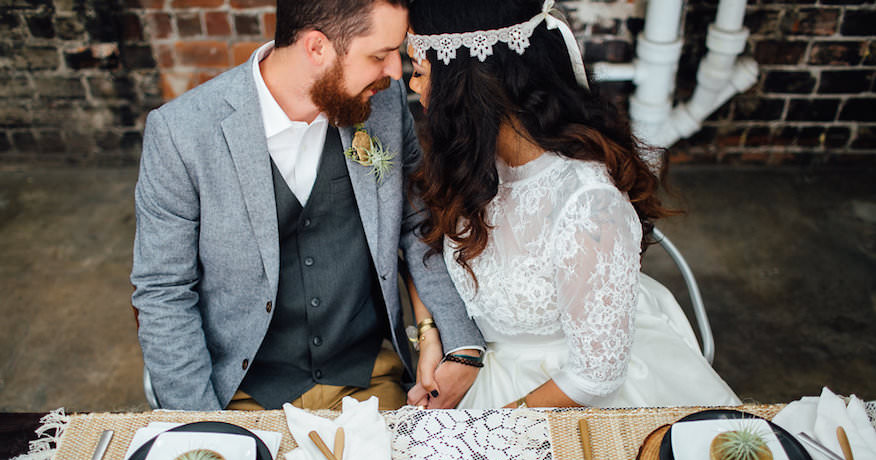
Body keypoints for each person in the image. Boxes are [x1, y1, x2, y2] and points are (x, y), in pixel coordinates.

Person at [131, 0, 484, 411]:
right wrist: (202, 425)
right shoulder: (181, 133)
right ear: (316, 47)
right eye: (379, 55)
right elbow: (164, 291)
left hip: (371, 379)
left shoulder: (383, 109)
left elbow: (419, 228)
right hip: (245, 392)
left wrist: (459, 342)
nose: (395, 71)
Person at [404, 0, 741, 409]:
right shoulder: (471, 157)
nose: (412, 87)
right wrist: (437, 336)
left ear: (467, 80)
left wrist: (487, 431)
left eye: (419, 72)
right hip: (478, 361)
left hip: (560, 392)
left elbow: (596, 377)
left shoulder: (587, 205)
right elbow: (425, 243)